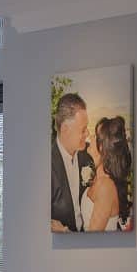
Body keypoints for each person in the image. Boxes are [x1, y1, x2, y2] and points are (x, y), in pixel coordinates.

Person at [80, 115, 132, 232]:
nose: (91, 137)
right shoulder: (99, 178)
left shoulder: (105, 187)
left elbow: (92, 240)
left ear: (102, 147)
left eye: (96, 136)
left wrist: (63, 230)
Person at [50, 93, 94, 232]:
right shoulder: (46, 163)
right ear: (65, 129)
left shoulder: (89, 155)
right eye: (83, 129)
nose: (87, 133)